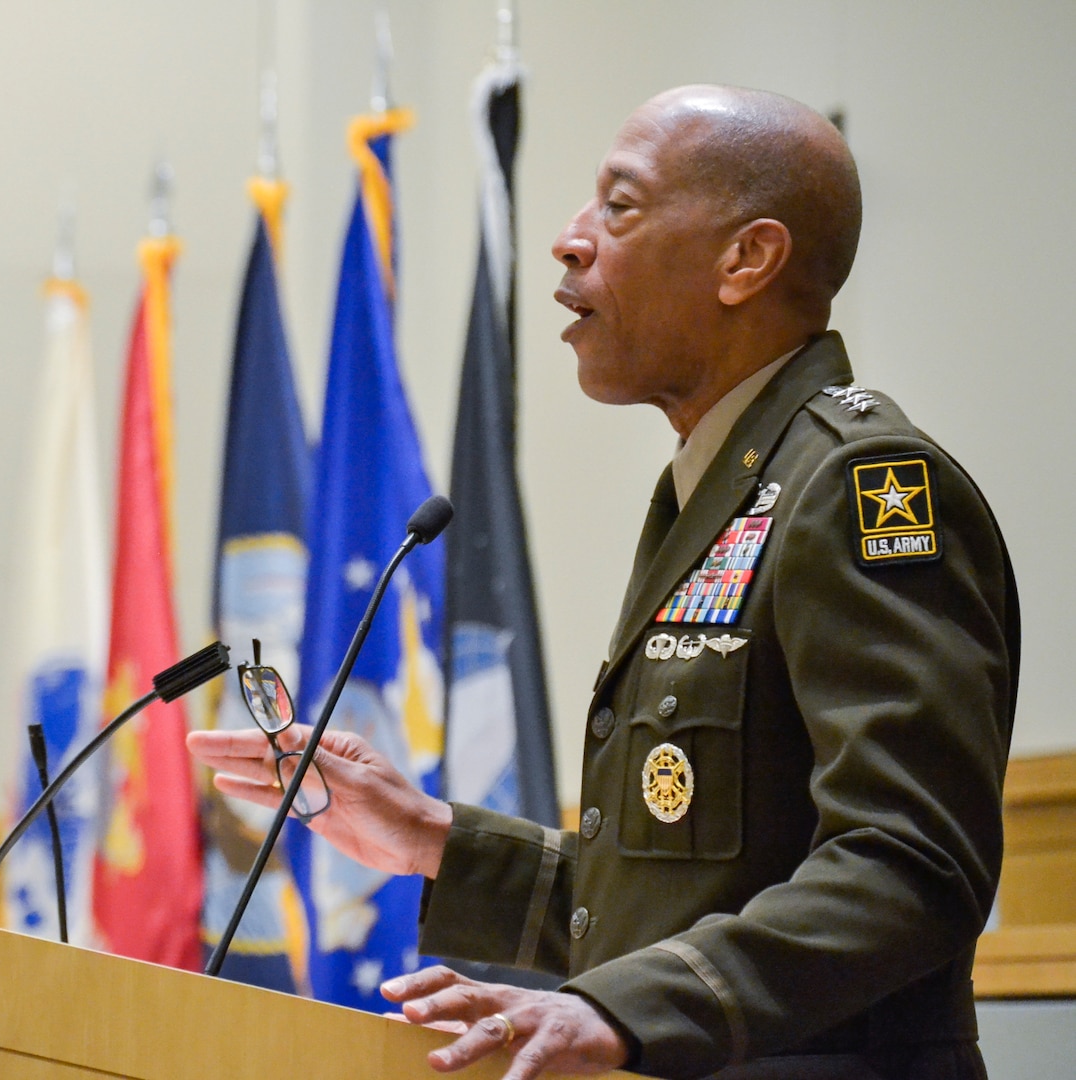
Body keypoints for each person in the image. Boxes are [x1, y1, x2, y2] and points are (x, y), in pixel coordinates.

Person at [188, 85, 1018, 1080]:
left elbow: (909, 868)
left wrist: (616, 1011)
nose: (569, 240)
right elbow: (675, 896)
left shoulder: (857, 488)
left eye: (617, 208)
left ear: (746, 259)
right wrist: (435, 838)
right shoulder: (723, 487)